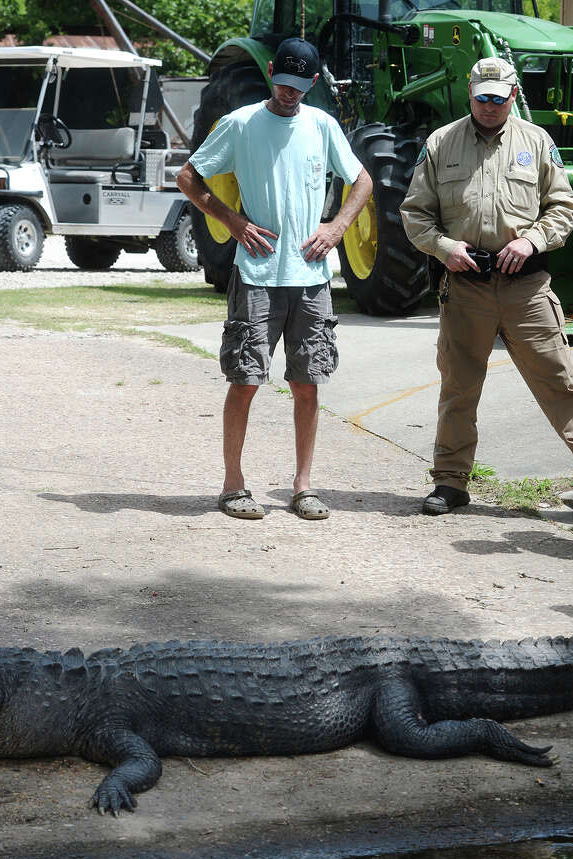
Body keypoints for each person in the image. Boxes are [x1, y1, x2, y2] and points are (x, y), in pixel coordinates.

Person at [400, 57, 573, 516]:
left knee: (560, 379)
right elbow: (415, 214)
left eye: (499, 98)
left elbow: (564, 208)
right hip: (465, 284)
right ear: (469, 94)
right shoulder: (441, 143)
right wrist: (445, 247)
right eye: (482, 99)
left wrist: (533, 241)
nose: (490, 106)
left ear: (513, 95)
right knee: (459, 388)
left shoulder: (536, 142)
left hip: (526, 286)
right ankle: (451, 483)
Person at [177, 38, 373, 521]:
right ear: (270, 73)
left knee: (308, 383)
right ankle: (232, 485)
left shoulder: (322, 125)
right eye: (283, 83)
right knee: (245, 380)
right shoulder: (240, 124)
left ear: (314, 81)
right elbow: (188, 177)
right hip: (257, 276)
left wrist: (337, 227)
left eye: (300, 85)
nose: (289, 93)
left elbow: (362, 180)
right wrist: (231, 220)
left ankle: (304, 487)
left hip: (310, 278)